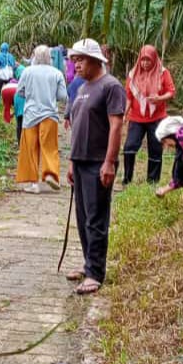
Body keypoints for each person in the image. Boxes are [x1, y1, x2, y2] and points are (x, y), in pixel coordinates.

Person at [66, 38, 126, 295]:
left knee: (96, 218)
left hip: (98, 161)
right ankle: (88, 263)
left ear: (94, 60)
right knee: (82, 218)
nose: (76, 64)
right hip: (80, 161)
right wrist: (71, 161)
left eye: (80, 59)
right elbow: (77, 125)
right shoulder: (82, 88)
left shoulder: (111, 86)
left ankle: (96, 272)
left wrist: (109, 162)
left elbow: (116, 126)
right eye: (74, 60)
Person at [15, 45, 67, 193]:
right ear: (49, 57)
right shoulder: (56, 73)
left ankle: (33, 184)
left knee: (30, 148)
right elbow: (63, 96)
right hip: (50, 115)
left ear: (35, 57)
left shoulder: (27, 71)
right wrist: (51, 95)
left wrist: (30, 95)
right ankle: (50, 174)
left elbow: (19, 91)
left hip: (31, 115)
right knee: (49, 146)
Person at [122, 45, 176, 185]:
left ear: (154, 59)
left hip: (157, 119)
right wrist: (124, 113)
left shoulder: (163, 73)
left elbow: (171, 91)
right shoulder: (133, 74)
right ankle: (127, 179)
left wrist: (159, 98)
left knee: (155, 149)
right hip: (136, 118)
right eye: (143, 60)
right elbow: (129, 97)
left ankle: (152, 181)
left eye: (148, 60)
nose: (145, 63)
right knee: (129, 147)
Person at [13, 65, 26, 143]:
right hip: (28, 108)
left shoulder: (16, 84)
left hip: (19, 105)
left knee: (19, 124)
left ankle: (20, 143)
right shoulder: (30, 80)